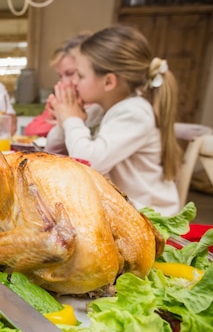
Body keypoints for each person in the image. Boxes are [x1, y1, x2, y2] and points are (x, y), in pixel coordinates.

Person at [45, 24, 182, 215]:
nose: (73, 81)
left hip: (151, 218)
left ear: (108, 81)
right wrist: (64, 120)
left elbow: (88, 163)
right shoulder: (99, 110)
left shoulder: (135, 113)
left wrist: (71, 120)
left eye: (80, 75)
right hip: (121, 209)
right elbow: (52, 151)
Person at [24, 33, 103, 137]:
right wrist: (57, 119)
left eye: (70, 73)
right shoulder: (67, 101)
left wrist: (68, 121)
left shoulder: (100, 106)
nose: (64, 83)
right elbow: (30, 130)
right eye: (60, 76)